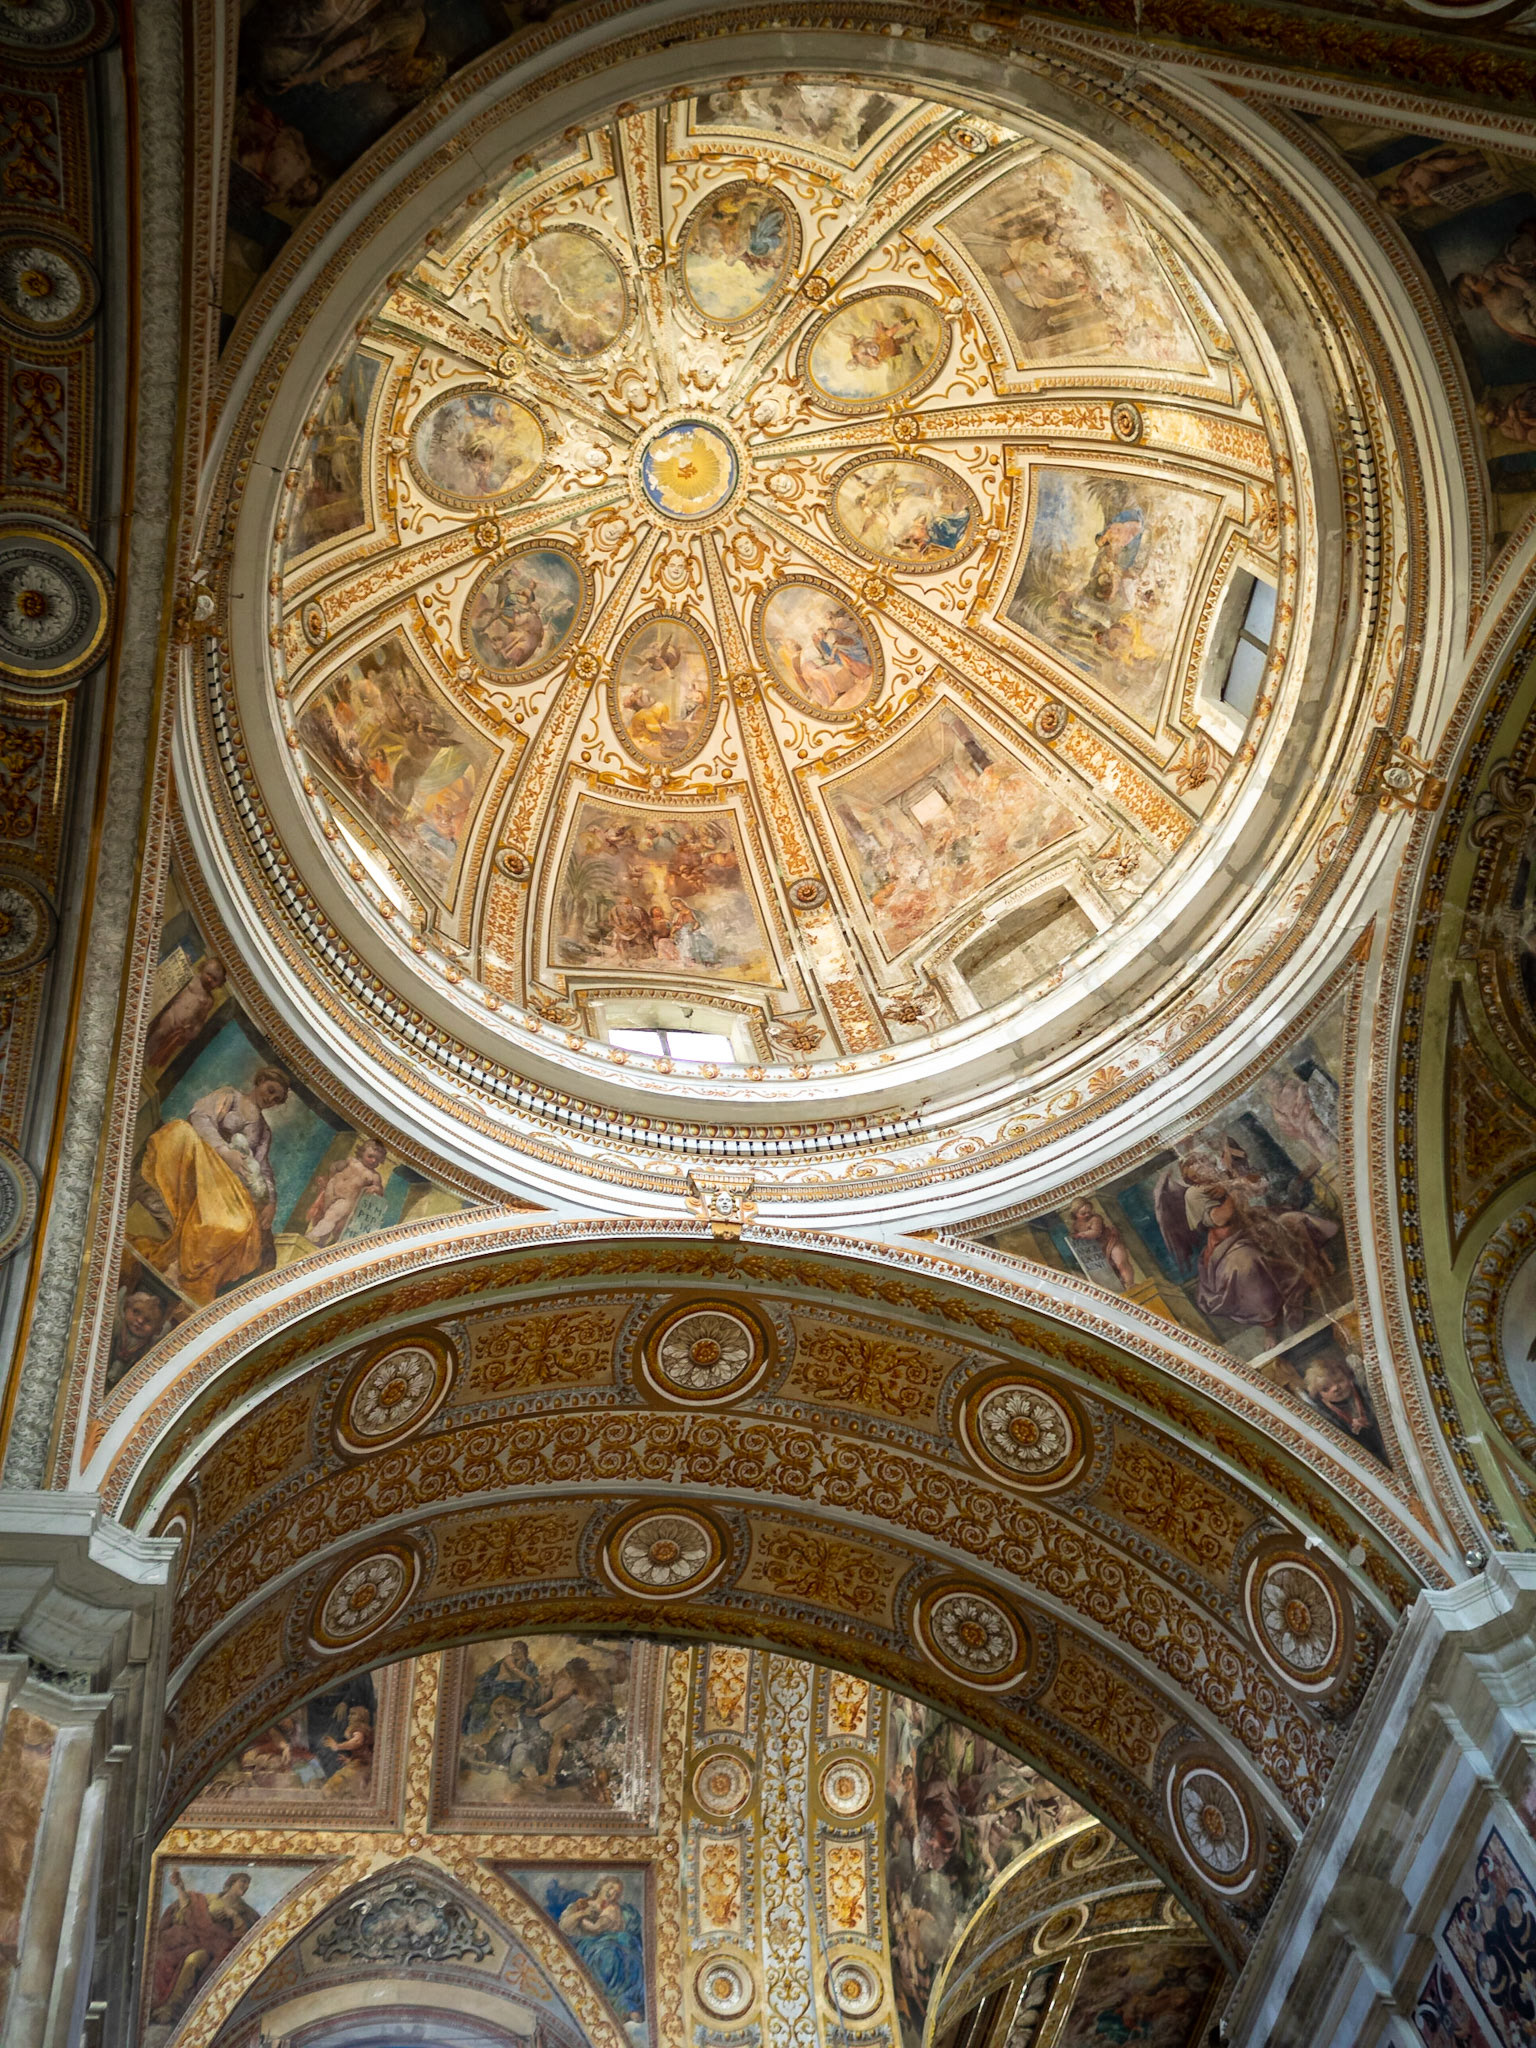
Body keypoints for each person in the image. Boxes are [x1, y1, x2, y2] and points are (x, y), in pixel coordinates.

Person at [133, 1067, 290, 1305]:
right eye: (270, 1091)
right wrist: (224, 1151)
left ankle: (184, 1267)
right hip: (205, 1155)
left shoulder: (264, 1132)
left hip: (228, 1179)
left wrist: (271, 1202)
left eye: (276, 1099)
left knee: (239, 1224)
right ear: (260, 1081)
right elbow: (200, 1117)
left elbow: (263, 1168)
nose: (270, 1099)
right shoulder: (231, 1096)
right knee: (180, 1131)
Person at [150, 1870, 259, 2023]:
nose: (246, 1886)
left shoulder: (246, 1911)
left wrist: (233, 1915)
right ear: (231, 1883)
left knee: (193, 1960)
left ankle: (174, 2006)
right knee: (174, 1958)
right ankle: (166, 2003)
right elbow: (188, 1909)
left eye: (247, 1883)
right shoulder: (209, 1899)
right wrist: (179, 1886)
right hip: (197, 1940)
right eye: (242, 1881)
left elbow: (247, 1936)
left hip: (217, 1949)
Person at [553, 1876, 646, 2020]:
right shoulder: (582, 1904)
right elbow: (565, 1926)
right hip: (588, 1946)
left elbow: (598, 1928)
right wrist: (582, 1914)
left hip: (611, 1942)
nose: (613, 1894)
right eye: (610, 1888)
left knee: (626, 1958)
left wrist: (587, 1924)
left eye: (617, 1893)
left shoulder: (613, 1909)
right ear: (601, 1886)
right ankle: (608, 2005)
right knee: (605, 1955)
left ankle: (623, 2005)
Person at [143, 957, 227, 1073]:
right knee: (159, 1032)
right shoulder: (192, 979)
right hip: (171, 1014)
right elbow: (175, 976)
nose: (209, 979)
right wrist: (184, 962)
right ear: (202, 969)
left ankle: (146, 1059)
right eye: (208, 974)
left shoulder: (208, 1001)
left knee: (163, 1043)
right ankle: (143, 1054)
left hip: (181, 1028)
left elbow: (200, 1021)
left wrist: (192, 1033)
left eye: (215, 979)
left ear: (220, 984)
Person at [1302, 1353, 1389, 1465]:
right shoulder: (1326, 1416)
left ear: (1349, 1377)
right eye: (1326, 1388)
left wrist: (1370, 1421)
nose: (1336, 1388)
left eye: (1339, 1381)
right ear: (1319, 1395)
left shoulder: (1365, 1392)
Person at [305, 1137, 387, 1246]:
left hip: (347, 1200)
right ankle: (321, 1240)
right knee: (323, 1215)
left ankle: (313, 1235)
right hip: (331, 1192)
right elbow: (335, 1166)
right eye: (370, 1156)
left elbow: (380, 1190)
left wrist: (375, 1189)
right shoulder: (351, 1161)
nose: (373, 1161)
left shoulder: (373, 1176)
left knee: (331, 1216)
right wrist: (331, 1178)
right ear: (362, 1152)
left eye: (377, 1159)